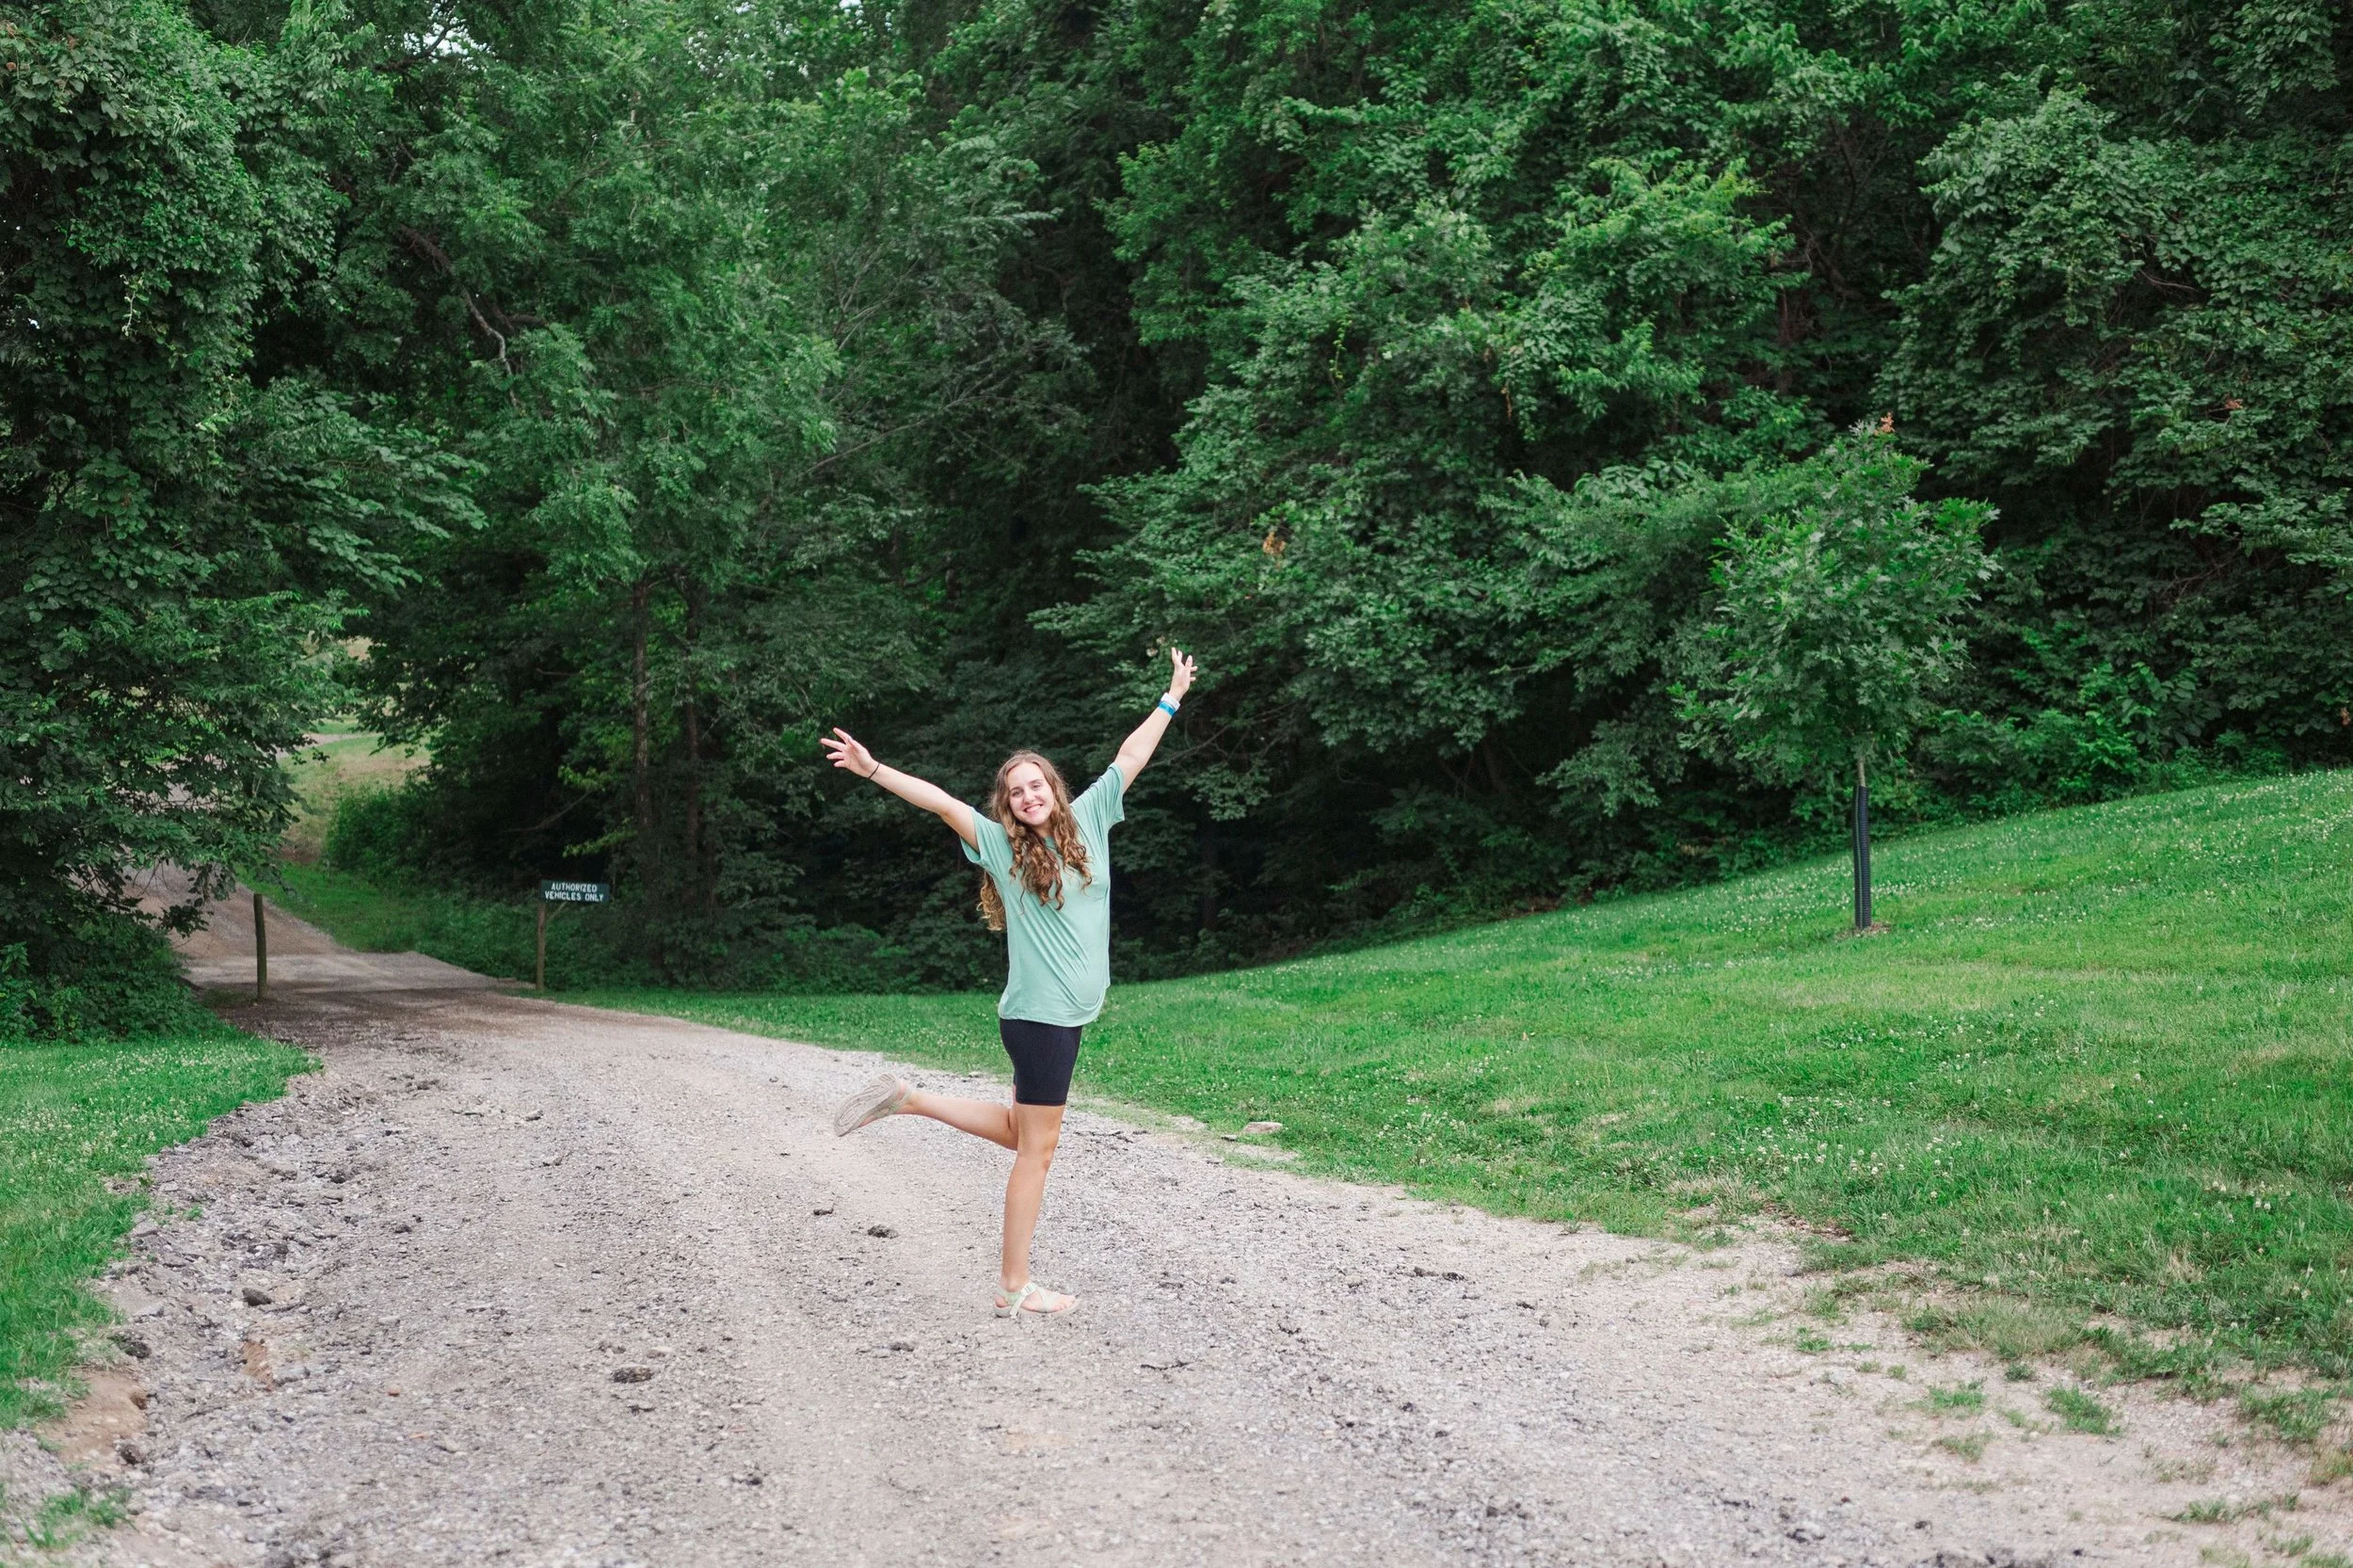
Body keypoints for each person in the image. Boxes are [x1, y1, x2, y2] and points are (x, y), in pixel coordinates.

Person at [819, 648, 1198, 1320]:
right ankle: (1014, 1285)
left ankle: (910, 1099)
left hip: (1061, 1015)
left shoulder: (1088, 823)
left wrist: (1170, 697)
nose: (1028, 796)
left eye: (1036, 785)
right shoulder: (999, 845)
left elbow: (1131, 756)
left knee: (1021, 1133)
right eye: (1016, 791)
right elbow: (938, 801)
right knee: (1038, 1152)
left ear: (1052, 787)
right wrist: (872, 768)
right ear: (1008, 804)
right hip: (1041, 1019)